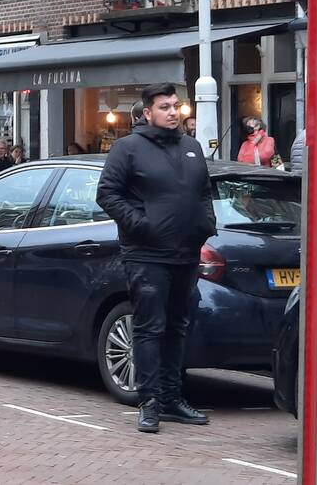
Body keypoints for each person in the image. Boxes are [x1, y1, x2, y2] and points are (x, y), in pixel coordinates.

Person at [95, 82, 216, 434]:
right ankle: (149, 402)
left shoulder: (192, 147)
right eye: (165, 107)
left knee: (177, 326)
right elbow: (107, 194)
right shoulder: (127, 148)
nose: (173, 112)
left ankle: (172, 398)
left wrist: (205, 224)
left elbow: (203, 191)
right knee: (150, 327)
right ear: (147, 112)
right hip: (147, 253)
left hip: (186, 252)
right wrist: (141, 225)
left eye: (176, 105)